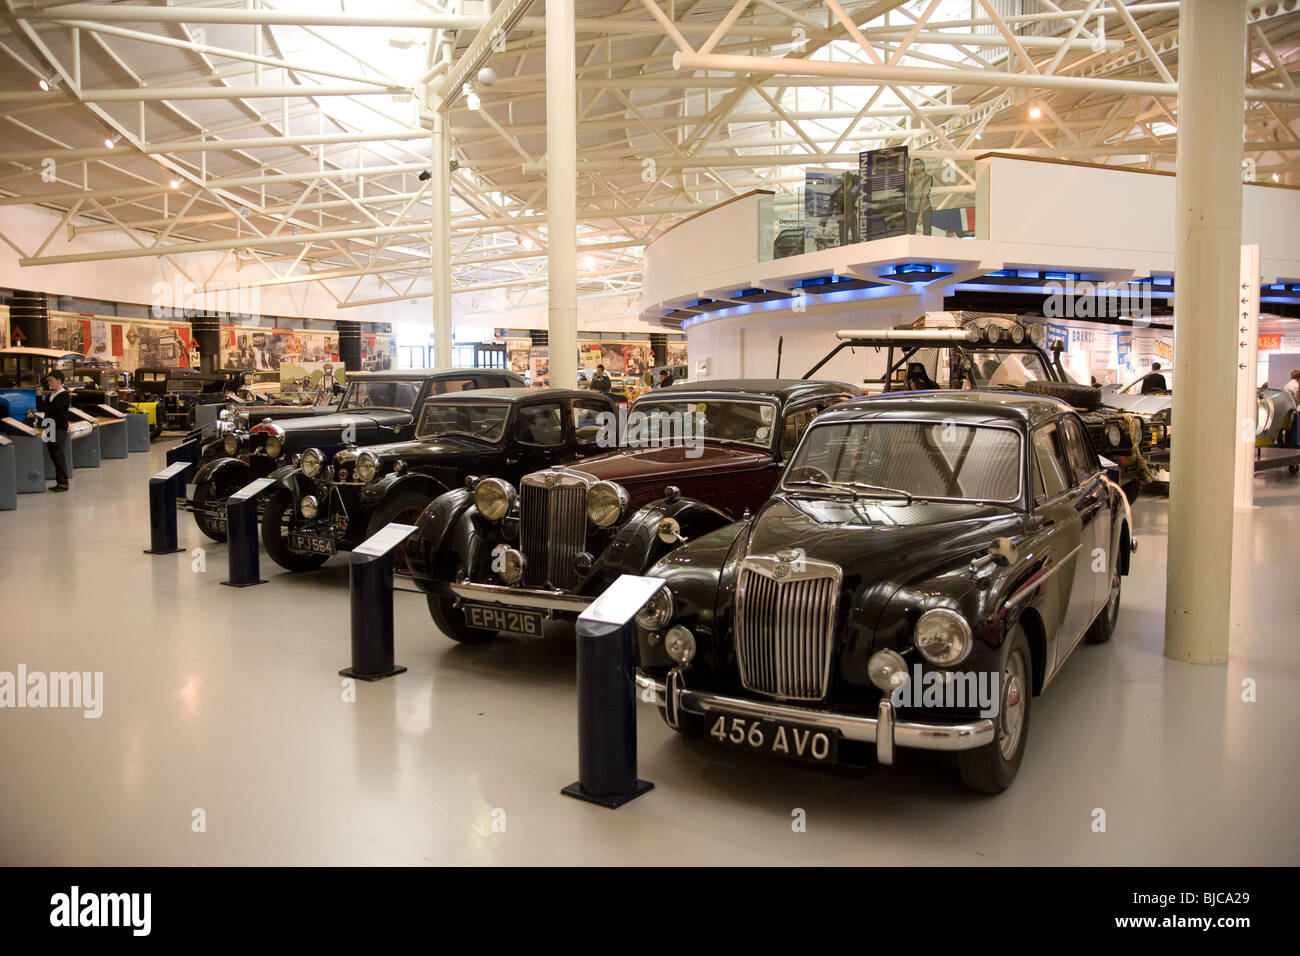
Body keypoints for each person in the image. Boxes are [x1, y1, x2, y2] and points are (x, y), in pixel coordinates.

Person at [36, 369, 71, 492]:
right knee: (53, 454)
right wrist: (39, 395)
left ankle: (63, 483)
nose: (49, 383)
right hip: (50, 427)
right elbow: (41, 408)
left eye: (51, 380)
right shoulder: (51, 395)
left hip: (59, 428)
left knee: (58, 453)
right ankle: (59, 481)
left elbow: (52, 410)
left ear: (59, 380)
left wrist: (47, 408)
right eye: (48, 381)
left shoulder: (64, 395)